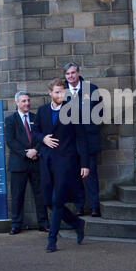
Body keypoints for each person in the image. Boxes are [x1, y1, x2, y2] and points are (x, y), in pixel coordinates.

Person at [32, 78, 90, 253]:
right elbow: (34, 131)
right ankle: (77, 223)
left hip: (66, 162)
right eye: (57, 92)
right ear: (50, 93)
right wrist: (43, 138)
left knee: (57, 201)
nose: (60, 95)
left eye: (62, 92)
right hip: (47, 162)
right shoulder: (42, 111)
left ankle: (52, 240)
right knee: (49, 201)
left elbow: (81, 137)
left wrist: (85, 164)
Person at [5, 91, 49, 235]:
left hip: (36, 161)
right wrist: (26, 153)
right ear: (17, 103)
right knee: (17, 195)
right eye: (23, 101)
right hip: (19, 163)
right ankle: (16, 225)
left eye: (28, 100)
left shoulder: (36, 118)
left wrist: (35, 151)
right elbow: (10, 141)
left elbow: (41, 138)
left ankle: (43, 223)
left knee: (40, 194)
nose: (27, 103)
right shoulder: (11, 120)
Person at [63, 62, 102, 217]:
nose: (70, 76)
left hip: (88, 139)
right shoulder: (62, 91)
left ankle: (94, 207)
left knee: (90, 174)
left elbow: (99, 113)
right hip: (70, 141)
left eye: (73, 73)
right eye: (67, 74)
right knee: (74, 174)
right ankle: (79, 206)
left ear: (78, 73)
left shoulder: (91, 89)